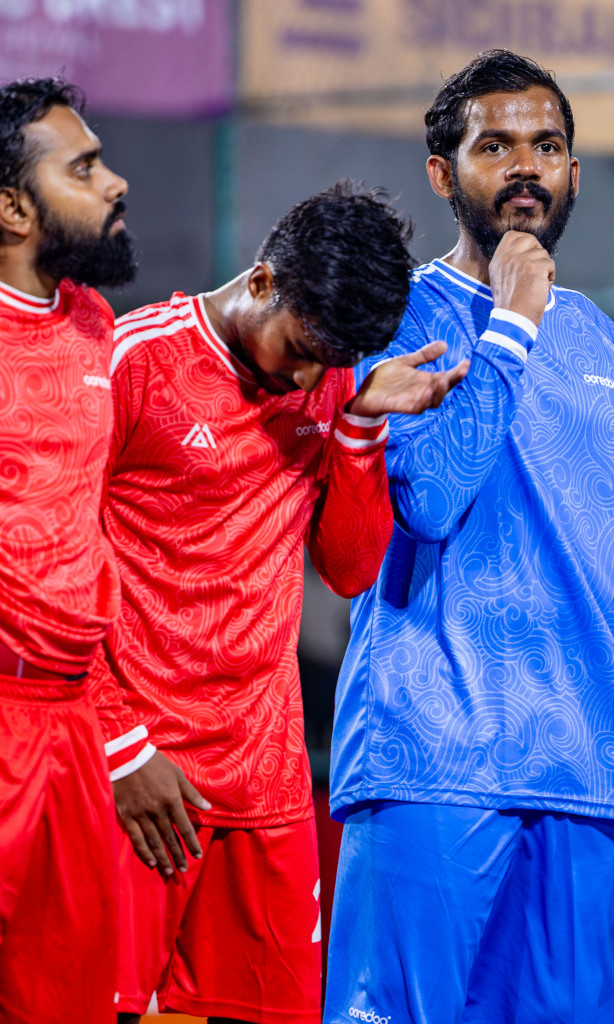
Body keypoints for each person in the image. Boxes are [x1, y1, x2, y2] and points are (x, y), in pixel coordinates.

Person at [323, 50, 614, 1024]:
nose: (525, 166)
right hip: (430, 758)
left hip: (584, 774)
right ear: (442, 173)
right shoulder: (393, 312)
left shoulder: (593, 335)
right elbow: (428, 498)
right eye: (495, 145)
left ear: (574, 175)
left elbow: (609, 557)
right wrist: (509, 323)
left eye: (547, 147)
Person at [91, 182, 467, 1024]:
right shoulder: (137, 361)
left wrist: (362, 424)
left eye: (328, 362)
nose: (306, 376)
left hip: (265, 783)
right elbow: (52, 557)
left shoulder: (330, 385)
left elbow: (349, 567)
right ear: (262, 281)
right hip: (140, 773)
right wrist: (118, 744)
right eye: (299, 346)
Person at [0, 76, 134, 1023]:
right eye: (83, 168)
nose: (115, 182)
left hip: (75, 724)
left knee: (75, 1001)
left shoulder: (96, 323)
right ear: (12, 207)